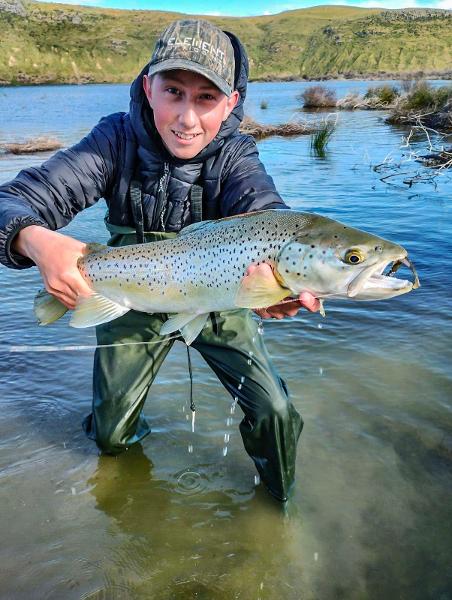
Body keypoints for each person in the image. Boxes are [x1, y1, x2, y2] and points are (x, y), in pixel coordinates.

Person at [0, 19, 319, 502]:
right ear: (149, 88)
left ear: (232, 103)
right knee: (109, 436)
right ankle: (125, 493)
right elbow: (13, 200)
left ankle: (279, 509)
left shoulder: (236, 157)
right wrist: (36, 241)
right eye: (174, 91)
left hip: (221, 297)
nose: (186, 118)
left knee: (274, 410)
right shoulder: (113, 140)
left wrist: (277, 283)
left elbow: (267, 213)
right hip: (130, 292)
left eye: (206, 98)